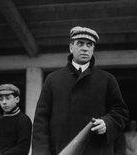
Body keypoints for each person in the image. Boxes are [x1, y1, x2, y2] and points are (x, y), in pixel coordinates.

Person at [32, 26, 129, 155]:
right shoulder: (53, 80)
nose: (85, 48)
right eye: (80, 43)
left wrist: (107, 122)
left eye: (89, 45)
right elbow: (41, 122)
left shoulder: (107, 79)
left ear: (93, 49)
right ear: (71, 47)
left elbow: (121, 112)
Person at [0, 84, 32, 155]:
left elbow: (23, 148)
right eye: (1, 99)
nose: (4, 102)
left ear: (17, 99)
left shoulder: (23, 120)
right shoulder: (2, 120)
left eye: (8, 98)